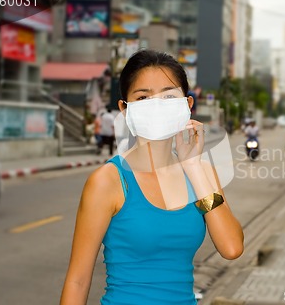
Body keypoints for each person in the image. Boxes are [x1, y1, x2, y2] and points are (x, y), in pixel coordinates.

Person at [60, 50, 244, 305]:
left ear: (187, 105)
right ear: (125, 109)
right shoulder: (108, 181)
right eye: (144, 97)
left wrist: (192, 167)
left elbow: (232, 247)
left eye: (168, 95)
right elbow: (77, 281)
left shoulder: (202, 173)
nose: (157, 105)